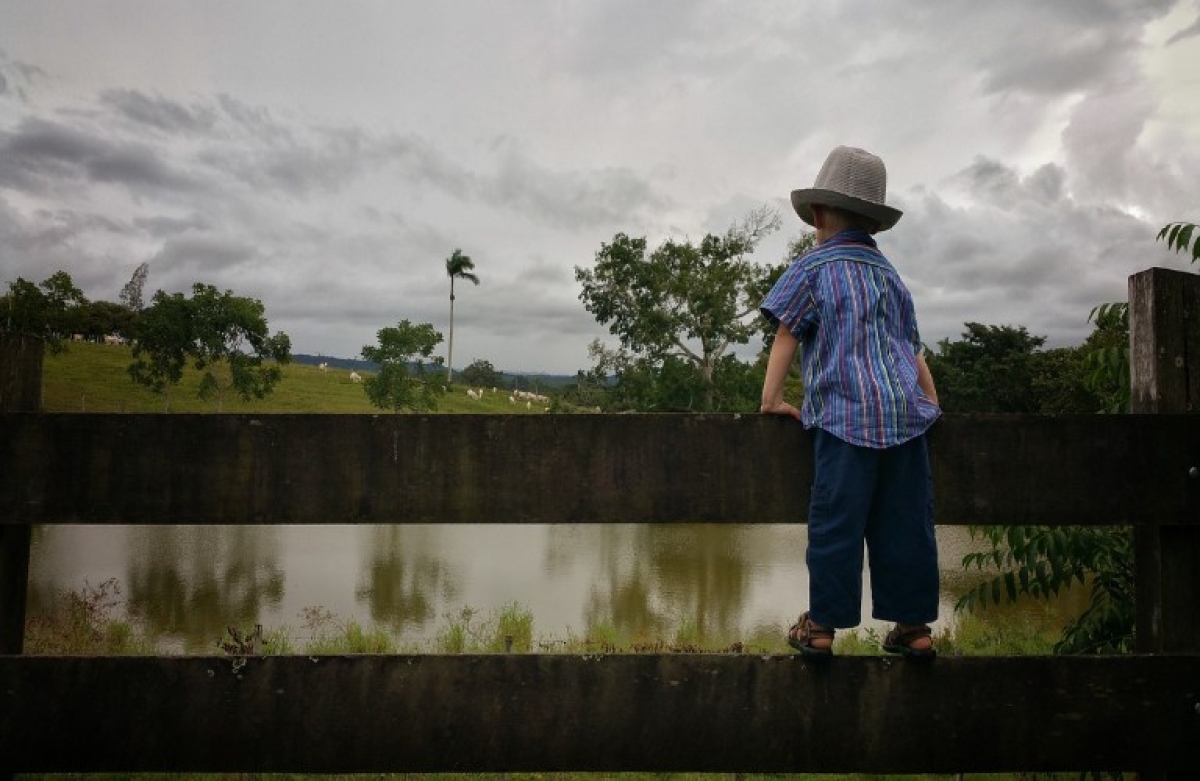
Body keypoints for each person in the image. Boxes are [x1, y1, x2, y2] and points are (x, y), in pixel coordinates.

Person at [759, 145, 941, 660]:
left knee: (836, 524)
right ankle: (914, 627)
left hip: (843, 423)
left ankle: (821, 627)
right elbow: (912, 349)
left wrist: (772, 399)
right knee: (907, 528)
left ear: (817, 215)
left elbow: (787, 333)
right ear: (875, 224)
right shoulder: (891, 277)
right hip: (906, 423)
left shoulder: (812, 268)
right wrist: (930, 402)